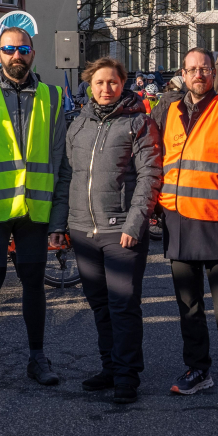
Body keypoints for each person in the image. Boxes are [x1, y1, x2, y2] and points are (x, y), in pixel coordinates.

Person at [0, 27, 71, 390]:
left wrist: (59, 218)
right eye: (9, 49)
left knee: (33, 285)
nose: (16, 55)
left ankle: (37, 357)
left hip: (36, 211)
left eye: (23, 49)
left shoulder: (54, 97)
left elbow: (62, 163)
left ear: (33, 53)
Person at [51, 57, 162, 404]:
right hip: (83, 230)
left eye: (112, 82)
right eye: (99, 83)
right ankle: (110, 367)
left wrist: (135, 222)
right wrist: (59, 225)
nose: (105, 89)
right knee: (99, 304)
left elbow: (149, 176)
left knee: (124, 305)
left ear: (123, 83)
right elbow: (67, 177)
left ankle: (127, 375)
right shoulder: (78, 125)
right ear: (90, 86)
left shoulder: (138, 122)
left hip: (121, 232)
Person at [157, 47, 218, 399]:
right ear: (183, 75)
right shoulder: (166, 111)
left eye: (205, 69)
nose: (198, 75)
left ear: (213, 73)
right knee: (189, 305)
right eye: (192, 69)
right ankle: (197, 369)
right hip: (178, 222)